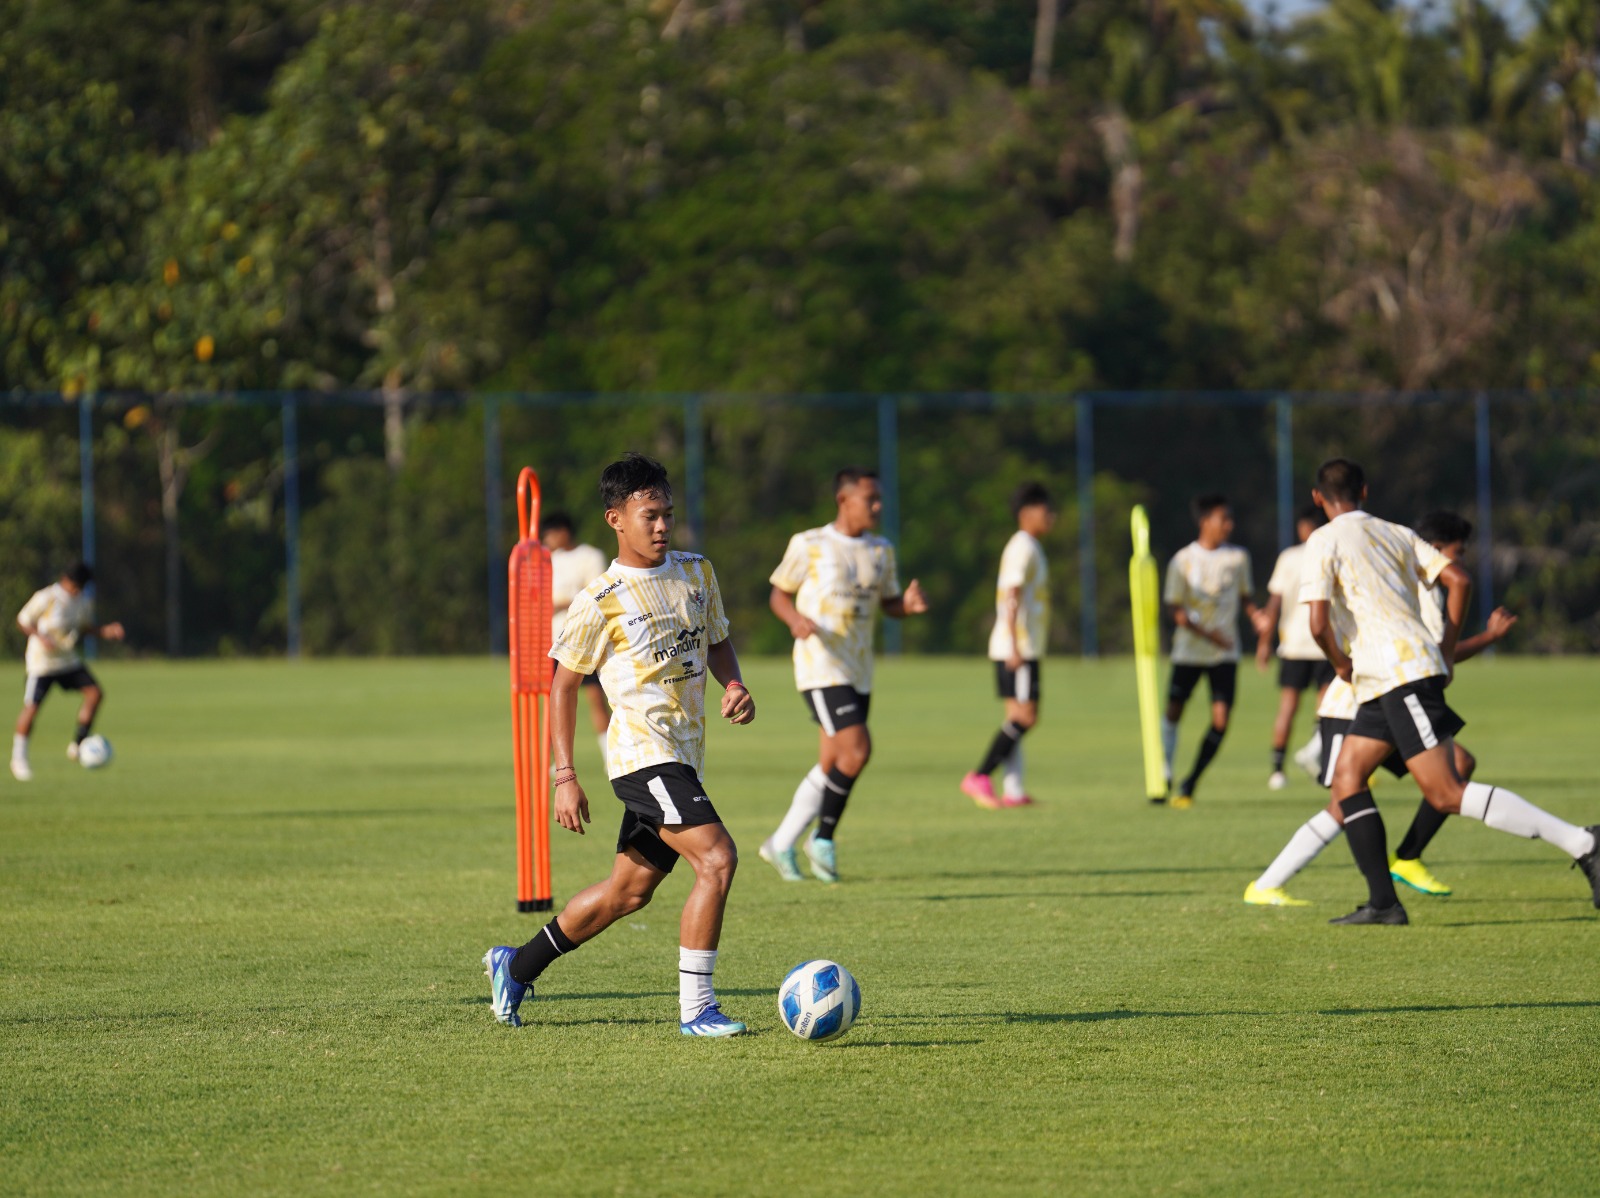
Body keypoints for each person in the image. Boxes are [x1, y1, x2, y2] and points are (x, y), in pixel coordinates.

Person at [483, 453, 756, 1036]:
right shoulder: (599, 598)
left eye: (668, 514)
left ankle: (517, 965)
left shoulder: (697, 572)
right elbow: (562, 685)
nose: (662, 526)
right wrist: (564, 774)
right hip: (640, 755)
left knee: (625, 894)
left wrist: (733, 683)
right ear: (616, 519)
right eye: (650, 515)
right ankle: (698, 1009)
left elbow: (717, 641)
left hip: (682, 758)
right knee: (717, 858)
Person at [1294, 459, 1598, 924]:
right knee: (1347, 777)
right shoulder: (1396, 531)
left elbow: (1317, 623)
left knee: (1445, 793)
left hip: (1397, 674)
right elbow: (1458, 579)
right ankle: (1382, 904)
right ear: (1365, 491)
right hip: (1387, 677)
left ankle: (1585, 843)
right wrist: (1445, 648)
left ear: (1318, 498)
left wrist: (1339, 664)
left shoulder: (1322, 540)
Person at [1244, 510, 1517, 907]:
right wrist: (1489, 637)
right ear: (1437, 550)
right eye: (1457, 552)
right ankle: (1269, 884)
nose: (1458, 561)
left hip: (1380, 697)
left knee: (1455, 766)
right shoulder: (1423, 588)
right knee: (1345, 802)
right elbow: (1443, 654)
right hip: (1352, 704)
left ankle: (1404, 862)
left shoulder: (1407, 577)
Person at [758, 467, 928, 883]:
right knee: (857, 751)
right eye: (870, 498)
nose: (877, 506)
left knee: (833, 762)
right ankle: (824, 839)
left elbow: (887, 603)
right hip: (820, 665)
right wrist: (794, 619)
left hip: (858, 669)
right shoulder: (811, 544)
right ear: (844, 501)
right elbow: (778, 593)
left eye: (879, 498)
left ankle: (779, 844)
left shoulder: (880, 550)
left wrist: (905, 606)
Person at [1159, 493, 1265, 808]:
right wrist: (1208, 635)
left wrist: (1256, 616)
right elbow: (1175, 610)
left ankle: (1190, 781)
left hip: (1224, 655)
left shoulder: (1238, 558)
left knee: (1220, 721)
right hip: (1189, 652)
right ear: (1205, 522)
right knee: (1174, 711)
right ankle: (1163, 769)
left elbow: (1246, 597)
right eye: (1224, 519)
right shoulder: (1183, 560)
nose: (1229, 525)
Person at [961, 481, 1054, 809]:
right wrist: (1015, 645)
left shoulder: (1030, 546)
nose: (1051, 517)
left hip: (1018, 645)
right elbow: (1011, 595)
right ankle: (980, 775)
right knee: (1026, 717)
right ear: (1027, 513)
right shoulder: (1023, 547)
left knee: (1015, 716)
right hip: (1019, 647)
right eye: (1047, 511)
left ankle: (1014, 791)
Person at [12, 562, 125, 782]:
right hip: (41, 664)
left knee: (95, 693)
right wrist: (40, 637)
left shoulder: (82, 601)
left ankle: (78, 744)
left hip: (67, 661)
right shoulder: (46, 597)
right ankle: (19, 758)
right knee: (32, 707)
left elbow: (84, 628)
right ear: (67, 581)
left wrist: (105, 631)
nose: (77, 590)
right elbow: (23, 621)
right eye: (75, 586)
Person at [1255, 505, 1333, 790]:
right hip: (1324, 643)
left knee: (1288, 707)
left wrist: (1265, 642)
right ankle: (1318, 756)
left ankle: (1277, 769)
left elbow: (1273, 603)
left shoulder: (1289, 557)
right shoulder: (1329, 553)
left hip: (1295, 645)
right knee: (1325, 706)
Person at [543, 511, 612, 768]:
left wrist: (559, 604)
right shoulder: (547, 559)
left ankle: (609, 755)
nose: (548, 539)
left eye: (551, 533)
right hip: (553, 641)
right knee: (554, 699)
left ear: (564, 532)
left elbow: (597, 595)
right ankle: (554, 762)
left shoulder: (590, 556)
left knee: (595, 697)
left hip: (585, 637)